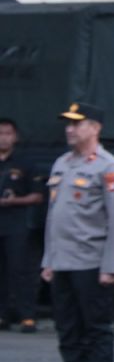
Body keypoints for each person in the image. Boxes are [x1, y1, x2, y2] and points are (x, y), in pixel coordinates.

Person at [40, 103, 114, 362]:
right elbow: (53, 217)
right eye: (68, 123)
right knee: (68, 331)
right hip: (63, 262)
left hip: (91, 262)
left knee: (95, 330)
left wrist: (111, 265)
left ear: (95, 128)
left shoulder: (107, 166)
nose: (70, 129)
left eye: (77, 123)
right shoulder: (62, 163)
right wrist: (48, 259)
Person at [0, 117, 42, 332]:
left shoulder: (25, 163)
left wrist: (14, 201)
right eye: (0, 134)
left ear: (15, 137)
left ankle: (27, 316)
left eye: (8, 133)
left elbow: (38, 196)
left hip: (16, 224)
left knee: (20, 270)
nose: (3, 138)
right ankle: (2, 315)